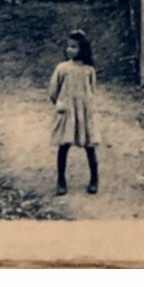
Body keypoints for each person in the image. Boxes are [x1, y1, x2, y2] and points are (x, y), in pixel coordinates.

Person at [49, 29, 100, 196]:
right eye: (68, 46)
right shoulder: (62, 68)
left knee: (89, 145)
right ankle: (61, 181)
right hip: (67, 112)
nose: (69, 50)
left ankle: (94, 179)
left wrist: (88, 107)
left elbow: (92, 90)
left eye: (74, 47)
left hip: (84, 112)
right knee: (63, 146)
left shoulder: (89, 70)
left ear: (82, 49)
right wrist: (60, 104)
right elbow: (53, 91)